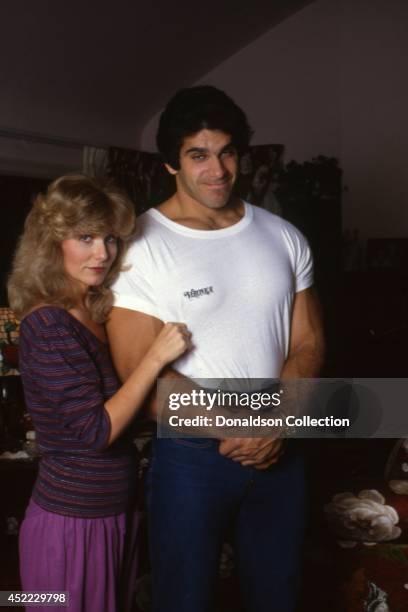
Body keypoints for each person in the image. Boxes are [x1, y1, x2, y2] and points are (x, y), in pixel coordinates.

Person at [107, 86, 325, 612]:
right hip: (192, 456)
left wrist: (278, 423)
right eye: (198, 155)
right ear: (170, 164)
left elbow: (309, 341)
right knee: (185, 599)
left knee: (279, 595)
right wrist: (244, 426)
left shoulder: (283, 235)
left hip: (281, 444)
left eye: (227, 152)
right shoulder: (138, 246)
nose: (218, 169)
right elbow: (145, 379)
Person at [7, 175, 191, 612]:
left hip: (112, 514)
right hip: (70, 523)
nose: (102, 253)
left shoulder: (92, 310)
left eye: (109, 238)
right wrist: (155, 357)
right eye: (84, 237)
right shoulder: (48, 324)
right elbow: (95, 432)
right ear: (52, 243)